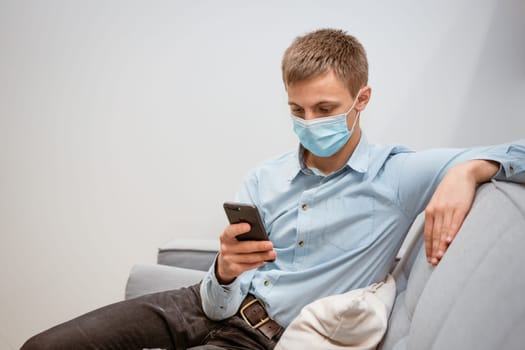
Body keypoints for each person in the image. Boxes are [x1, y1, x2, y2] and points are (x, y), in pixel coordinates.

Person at [22, 28, 524, 350]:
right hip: (199, 304)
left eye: (325, 109)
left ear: (361, 98)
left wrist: (472, 167)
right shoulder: (265, 177)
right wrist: (222, 270)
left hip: (259, 339)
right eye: (296, 110)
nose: (309, 122)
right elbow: (220, 296)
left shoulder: (398, 175)